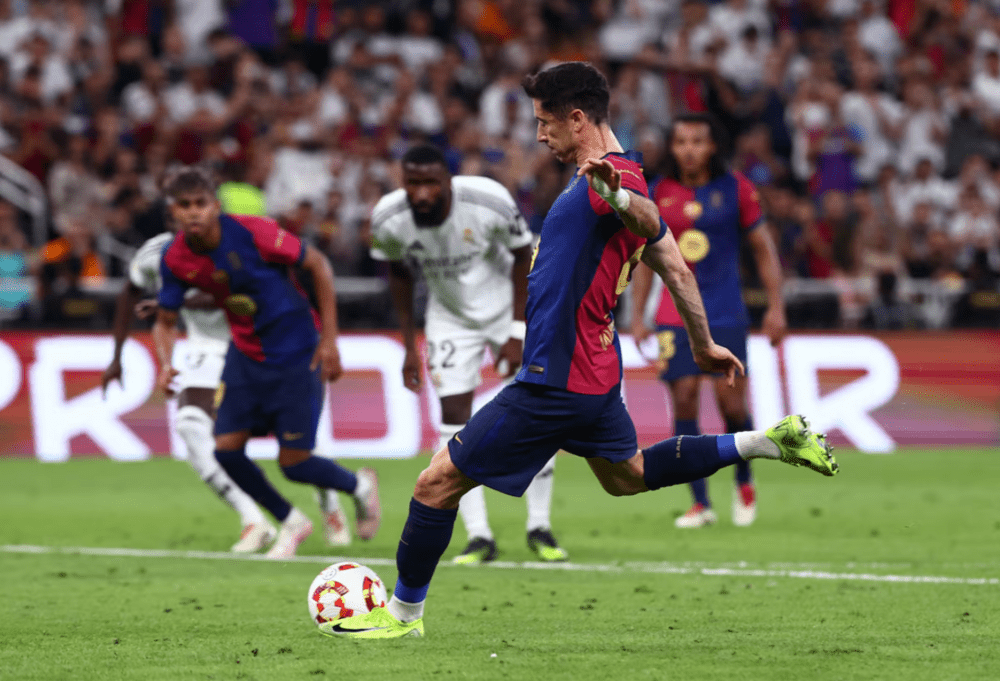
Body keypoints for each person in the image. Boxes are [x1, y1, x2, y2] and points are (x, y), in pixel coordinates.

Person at [321, 61, 836, 640]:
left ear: (577, 119)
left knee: (435, 484)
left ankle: (402, 616)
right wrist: (703, 341)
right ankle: (767, 440)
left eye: (546, 123)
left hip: (555, 379)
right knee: (628, 476)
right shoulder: (604, 177)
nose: (540, 135)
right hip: (591, 373)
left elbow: (641, 215)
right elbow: (673, 263)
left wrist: (618, 199)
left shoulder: (612, 180)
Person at [151, 165, 381, 559]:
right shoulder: (175, 258)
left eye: (200, 203)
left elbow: (318, 266)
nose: (193, 213)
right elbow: (165, 320)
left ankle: (358, 487)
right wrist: (165, 361)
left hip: (296, 352)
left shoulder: (253, 232)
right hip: (245, 354)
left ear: (214, 205)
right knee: (224, 450)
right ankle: (292, 521)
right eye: (184, 205)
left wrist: (329, 341)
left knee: (294, 464)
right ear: (172, 211)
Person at [370, 143, 568, 565]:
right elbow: (399, 276)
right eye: (413, 184)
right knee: (454, 421)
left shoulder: (486, 199)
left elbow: (523, 257)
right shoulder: (389, 219)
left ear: (448, 181)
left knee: (541, 409)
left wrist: (517, 330)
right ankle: (479, 536)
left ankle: (539, 526)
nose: (421, 194)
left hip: (508, 310)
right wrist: (409, 345)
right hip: (449, 320)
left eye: (430, 183)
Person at [102, 230, 354, 552]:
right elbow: (129, 291)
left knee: (295, 440)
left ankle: (329, 499)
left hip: (259, 341)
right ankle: (254, 520)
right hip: (205, 346)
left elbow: (236, 295)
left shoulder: (239, 241)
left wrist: (175, 301)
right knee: (191, 425)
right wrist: (116, 356)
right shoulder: (157, 253)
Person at [630, 113, 787, 529]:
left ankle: (744, 479)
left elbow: (763, 249)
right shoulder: (657, 191)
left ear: (712, 146)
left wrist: (776, 307)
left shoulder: (737, 188)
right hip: (672, 313)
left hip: (724, 310)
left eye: (697, 141)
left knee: (731, 403)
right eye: (681, 141)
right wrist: (638, 313)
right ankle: (700, 503)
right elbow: (646, 258)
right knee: (682, 398)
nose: (689, 149)